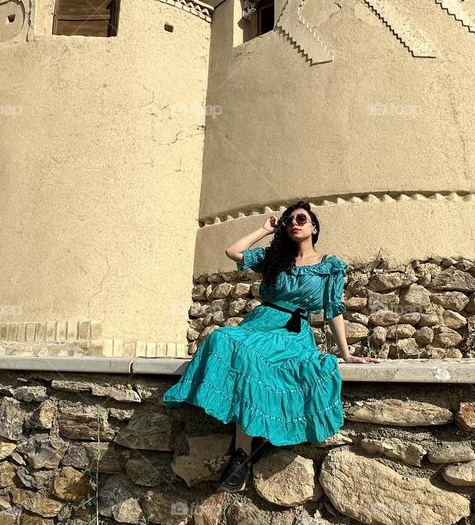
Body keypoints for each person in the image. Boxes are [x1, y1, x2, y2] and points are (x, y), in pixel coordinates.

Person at [161, 199, 379, 492]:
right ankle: (248, 446)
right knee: (220, 337)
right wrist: (264, 229)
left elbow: (333, 310)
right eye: (289, 221)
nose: (294, 223)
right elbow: (233, 252)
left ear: (314, 227)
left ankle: (241, 453)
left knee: (251, 357)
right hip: (259, 323)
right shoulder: (276, 258)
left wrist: (346, 353)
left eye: (301, 219)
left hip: (291, 332)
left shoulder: (330, 266)